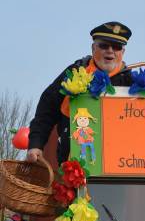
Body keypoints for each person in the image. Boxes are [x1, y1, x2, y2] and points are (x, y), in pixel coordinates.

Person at [27, 21, 133, 165]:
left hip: (120, 164)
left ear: (123, 52)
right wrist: (36, 144)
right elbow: (47, 109)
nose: (110, 51)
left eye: (116, 47)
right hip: (74, 163)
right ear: (93, 48)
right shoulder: (74, 73)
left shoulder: (132, 82)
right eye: (104, 45)